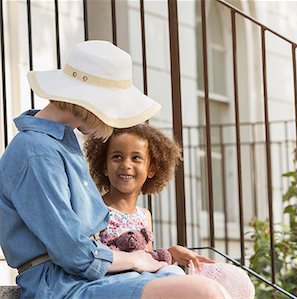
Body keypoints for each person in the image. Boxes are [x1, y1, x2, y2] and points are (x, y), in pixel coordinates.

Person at [0, 40, 230, 298]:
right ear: (90, 102)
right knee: (204, 292)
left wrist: (148, 258)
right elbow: (74, 253)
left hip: (85, 277)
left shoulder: (59, 143)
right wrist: (136, 260)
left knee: (224, 284)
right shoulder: (36, 152)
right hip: (60, 285)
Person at [84, 124, 213, 273]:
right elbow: (93, 261)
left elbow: (149, 261)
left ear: (151, 169)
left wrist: (172, 252)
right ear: (104, 166)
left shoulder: (144, 216)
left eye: (136, 158)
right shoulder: (95, 209)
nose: (126, 164)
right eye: (117, 157)